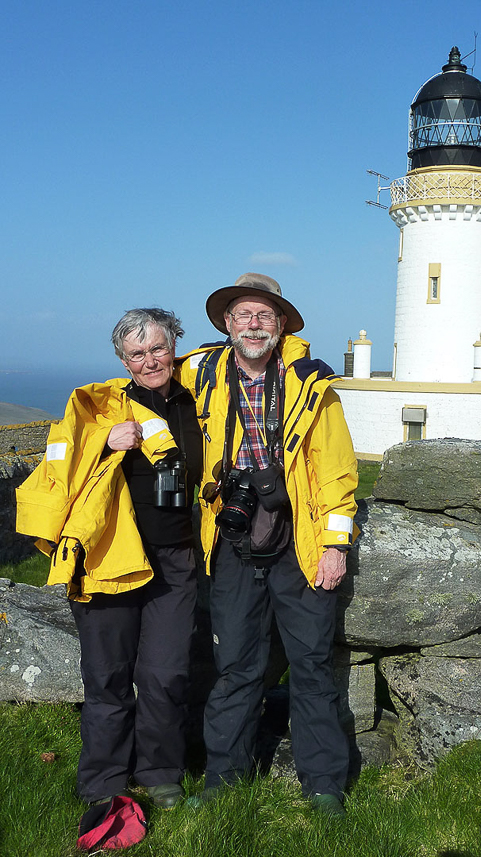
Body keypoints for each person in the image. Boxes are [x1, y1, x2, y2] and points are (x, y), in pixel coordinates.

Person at [177, 273, 358, 816]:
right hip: (232, 540)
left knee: (310, 663)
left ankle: (324, 785)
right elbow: (139, 385)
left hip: (299, 540)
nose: (253, 324)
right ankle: (223, 780)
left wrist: (335, 545)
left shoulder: (313, 387)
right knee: (234, 664)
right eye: (242, 315)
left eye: (264, 316)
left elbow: (337, 473)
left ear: (281, 326)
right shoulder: (200, 373)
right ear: (226, 325)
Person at [16, 308, 203, 811]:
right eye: (136, 354)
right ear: (122, 359)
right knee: (107, 677)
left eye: (158, 349)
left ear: (175, 346)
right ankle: (103, 782)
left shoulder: (200, 401)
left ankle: (161, 773)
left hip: (176, 559)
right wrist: (105, 441)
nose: (149, 361)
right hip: (107, 559)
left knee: (166, 674)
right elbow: (62, 460)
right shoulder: (102, 406)